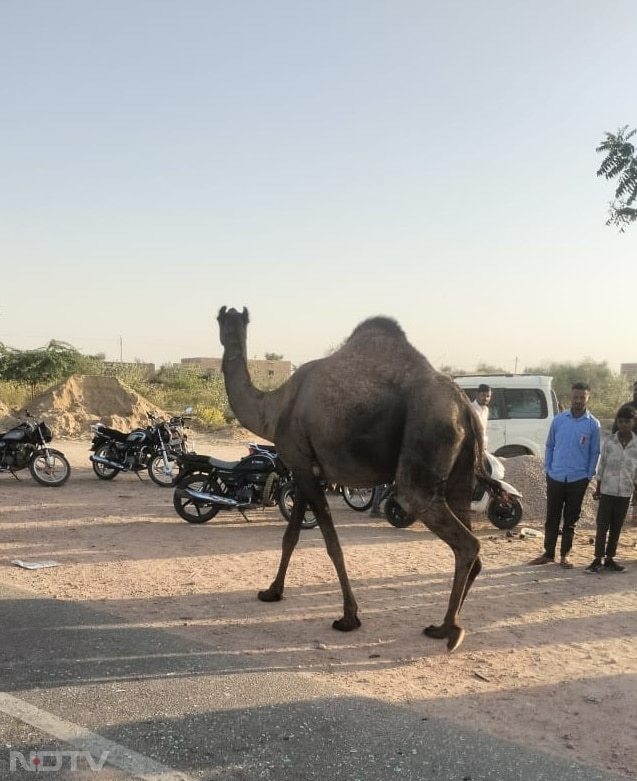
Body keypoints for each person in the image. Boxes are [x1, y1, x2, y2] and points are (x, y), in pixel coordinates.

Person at [530, 382, 601, 569]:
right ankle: (548, 553)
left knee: (571, 519)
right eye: (575, 397)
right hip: (556, 476)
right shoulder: (559, 421)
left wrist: (588, 474)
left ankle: (565, 555)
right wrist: (549, 468)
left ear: (588, 398)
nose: (578, 401)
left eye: (582, 397)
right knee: (551, 517)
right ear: (571, 397)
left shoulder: (593, 425)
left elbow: (595, 452)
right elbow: (550, 445)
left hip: (578, 479)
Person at [585, 405, 637, 573]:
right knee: (602, 525)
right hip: (607, 490)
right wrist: (598, 488)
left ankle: (610, 559)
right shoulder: (609, 441)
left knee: (616, 526)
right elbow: (603, 466)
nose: (623, 425)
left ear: (633, 422)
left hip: (625, 492)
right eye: (620, 421)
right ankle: (597, 559)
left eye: (627, 421)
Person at [471, 383, 491, 450]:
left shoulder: (486, 410)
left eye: (488, 396)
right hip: (472, 446)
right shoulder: (471, 409)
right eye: (483, 395)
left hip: (483, 445)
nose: (486, 398)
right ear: (477, 395)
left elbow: (483, 430)